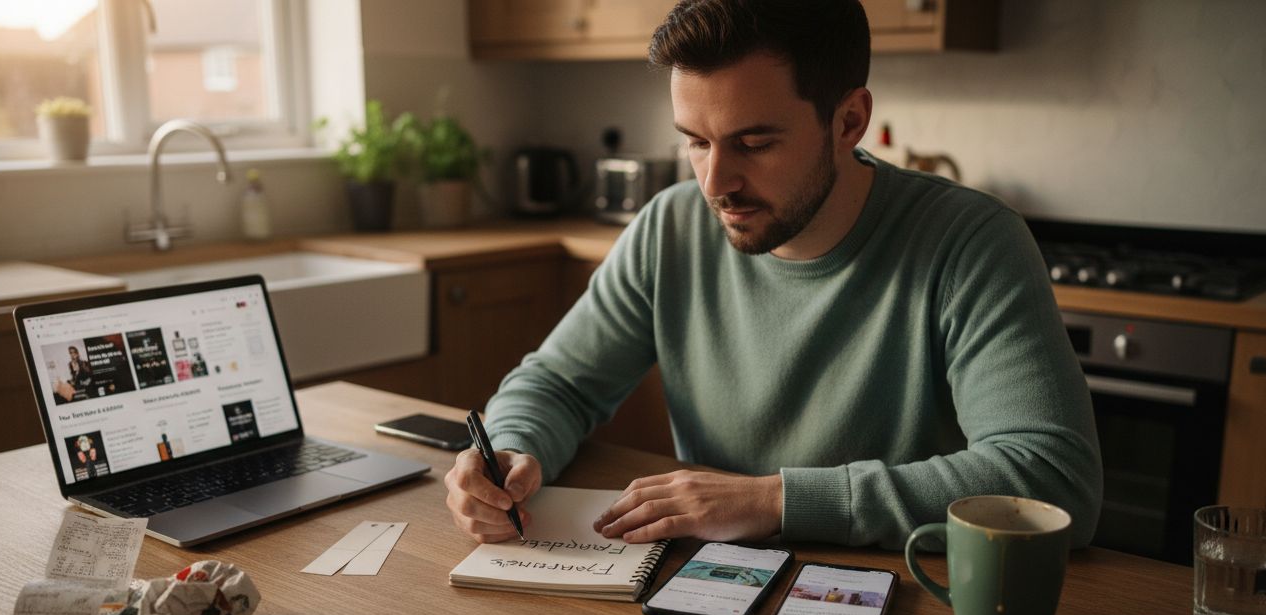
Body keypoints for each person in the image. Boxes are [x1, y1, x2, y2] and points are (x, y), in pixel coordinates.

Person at [445, 0, 1101, 550]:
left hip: (900, 601)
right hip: (710, 587)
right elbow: (558, 382)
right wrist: (511, 450)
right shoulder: (669, 227)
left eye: (754, 144)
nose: (714, 183)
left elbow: (1050, 477)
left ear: (848, 122)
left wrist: (776, 500)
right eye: (696, 140)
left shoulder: (970, 241)